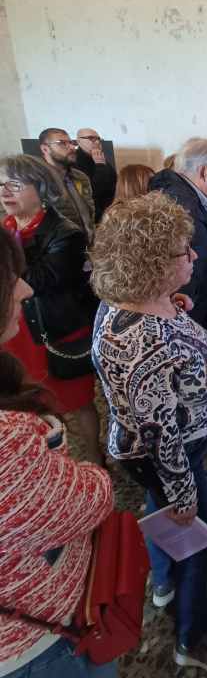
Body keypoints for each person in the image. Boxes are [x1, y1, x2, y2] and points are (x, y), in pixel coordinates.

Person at [90, 192, 207, 675]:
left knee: (160, 515)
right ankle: (191, 639)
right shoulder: (144, 344)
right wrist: (184, 497)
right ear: (154, 263)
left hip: (141, 446)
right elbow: (163, 438)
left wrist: (170, 305)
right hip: (168, 454)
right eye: (184, 251)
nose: (195, 255)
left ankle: (163, 581)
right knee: (198, 538)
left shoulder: (129, 304)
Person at [0, 227, 124, 678]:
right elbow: (92, 499)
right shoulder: (8, 445)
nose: (25, 290)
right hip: (35, 649)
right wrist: (82, 468)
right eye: (11, 280)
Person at [0, 155, 102, 464]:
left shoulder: (64, 231)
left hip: (56, 330)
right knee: (35, 401)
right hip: (19, 332)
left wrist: (7, 261)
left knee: (78, 400)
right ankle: (55, 461)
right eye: (2, 185)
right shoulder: (6, 228)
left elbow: (40, 281)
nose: (5, 192)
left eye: (15, 185)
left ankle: (96, 459)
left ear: (41, 189)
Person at [149, 138, 207, 329]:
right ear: (205, 172)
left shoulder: (185, 196)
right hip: (187, 306)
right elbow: (180, 266)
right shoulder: (183, 205)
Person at [38, 128, 95, 243]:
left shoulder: (81, 177)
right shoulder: (37, 181)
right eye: (62, 143)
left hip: (88, 245)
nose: (71, 147)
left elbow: (89, 214)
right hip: (60, 248)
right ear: (45, 149)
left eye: (71, 143)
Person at [75, 128, 118, 221]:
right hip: (88, 217)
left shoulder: (102, 160)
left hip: (108, 214)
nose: (97, 142)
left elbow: (114, 185)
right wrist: (100, 166)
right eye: (91, 138)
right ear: (78, 141)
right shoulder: (74, 163)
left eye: (98, 139)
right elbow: (90, 192)